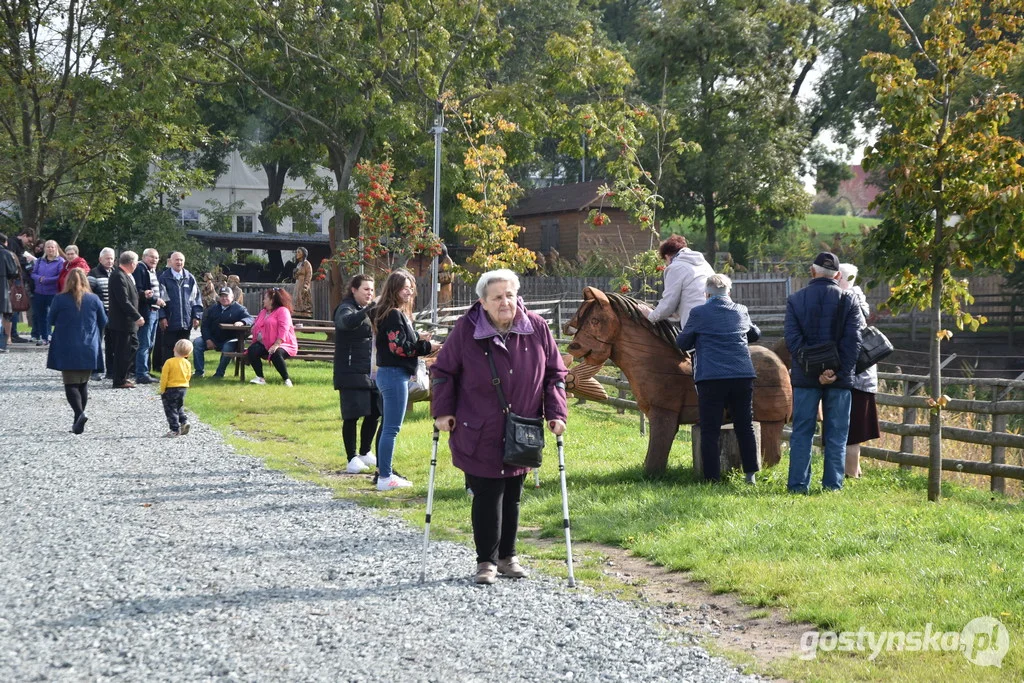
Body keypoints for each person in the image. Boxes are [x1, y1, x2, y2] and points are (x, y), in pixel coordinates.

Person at [431, 269, 568, 584]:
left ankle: (508, 557)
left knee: (513, 494)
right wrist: (443, 411)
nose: (505, 302)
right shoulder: (466, 330)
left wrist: (556, 412)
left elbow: (554, 374)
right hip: (478, 427)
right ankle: (486, 562)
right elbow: (443, 372)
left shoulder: (536, 327)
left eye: (509, 295)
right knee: (487, 493)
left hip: (522, 428)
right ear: (483, 301)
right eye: (497, 297)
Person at [784, 251, 863, 493]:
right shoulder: (849, 300)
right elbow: (854, 343)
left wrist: (815, 370)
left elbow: (793, 341)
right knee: (837, 434)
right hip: (839, 380)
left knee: (802, 433)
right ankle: (832, 486)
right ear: (838, 275)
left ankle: (798, 486)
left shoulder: (795, 300)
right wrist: (836, 373)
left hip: (806, 378)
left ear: (812, 271)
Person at [676, 273, 761, 484]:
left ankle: (711, 478)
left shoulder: (699, 313)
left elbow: (683, 342)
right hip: (742, 375)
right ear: (729, 292)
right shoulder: (741, 310)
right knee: (745, 425)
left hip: (711, 377)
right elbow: (754, 335)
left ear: (707, 293)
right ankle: (750, 474)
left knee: (710, 428)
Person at [371, 269, 439, 491]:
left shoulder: (394, 313)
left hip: (392, 374)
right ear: (394, 289)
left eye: (411, 286)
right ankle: (385, 477)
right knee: (391, 428)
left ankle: (385, 474)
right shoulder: (392, 314)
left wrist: (418, 339)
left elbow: (400, 342)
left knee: (389, 427)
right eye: (404, 287)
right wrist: (429, 347)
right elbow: (399, 348)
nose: (409, 290)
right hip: (393, 374)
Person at [45, 269, 107, 433]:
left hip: (67, 346)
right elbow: (103, 321)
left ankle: (79, 414)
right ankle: (77, 420)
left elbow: (50, 319)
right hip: (89, 346)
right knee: (82, 384)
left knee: (70, 384)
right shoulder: (94, 299)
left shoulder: (59, 299)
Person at [333, 274, 380, 474]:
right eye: (365, 289)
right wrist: (369, 310)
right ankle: (351, 457)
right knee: (352, 415)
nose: (369, 293)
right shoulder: (346, 307)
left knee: (375, 411)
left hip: (370, 371)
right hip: (349, 370)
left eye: (371, 290)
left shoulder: (366, 310)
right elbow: (346, 323)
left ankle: (364, 451)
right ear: (354, 289)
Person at [839, 263, 880, 478]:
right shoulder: (859, 299)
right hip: (864, 375)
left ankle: (851, 474)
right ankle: (856, 470)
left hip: (856, 376)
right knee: (854, 428)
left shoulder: (849, 301)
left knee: (851, 431)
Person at [648, 234, 714, 330]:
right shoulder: (704, 263)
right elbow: (694, 294)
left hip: (697, 323)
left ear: (667, 256)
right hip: (717, 318)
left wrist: (650, 316)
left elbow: (668, 304)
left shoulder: (675, 267)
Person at [157, 252, 203, 370]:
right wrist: (162, 317)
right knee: (169, 347)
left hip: (186, 321)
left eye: (181, 260)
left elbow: (196, 299)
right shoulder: (164, 278)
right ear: (171, 261)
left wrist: (196, 316)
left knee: (184, 348)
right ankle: (168, 371)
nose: (179, 262)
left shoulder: (190, 278)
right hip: (170, 320)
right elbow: (161, 299)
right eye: (176, 260)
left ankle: (183, 371)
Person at [108, 251, 146, 389]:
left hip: (128, 323)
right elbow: (123, 300)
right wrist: (137, 316)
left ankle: (123, 376)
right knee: (123, 351)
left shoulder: (125, 275)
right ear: (132, 263)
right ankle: (119, 380)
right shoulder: (118, 276)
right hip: (122, 322)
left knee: (132, 347)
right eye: (136, 263)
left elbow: (132, 295)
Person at [246, 287, 298, 386]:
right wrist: (254, 328)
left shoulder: (283, 311)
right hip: (265, 343)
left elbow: (284, 328)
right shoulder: (263, 312)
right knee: (252, 350)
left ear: (272, 300)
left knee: (276, 353)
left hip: (284, 343)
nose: (263, 300)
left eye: (265, 298)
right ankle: (260, 378)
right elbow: (257, 323)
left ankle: (286, 380)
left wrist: (276, 344)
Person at [200, 286, 255, 378]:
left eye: (226, 296)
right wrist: (208, 339)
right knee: (198, 343)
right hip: (213, 338)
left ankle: (219, 373)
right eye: (222, 296)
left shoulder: (239, 309)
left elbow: (250, 319)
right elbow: (204, 326)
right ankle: (199, 372)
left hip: (231, 339)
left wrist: (242, 322)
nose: (224, 298)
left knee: (227, 347)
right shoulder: (212, 309)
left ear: (232, 297)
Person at [133, 248, 166, 384]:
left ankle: (145, 370)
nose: (154, 260)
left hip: (154, 311)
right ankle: (141, 373)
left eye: (156, 258)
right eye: (151, 257)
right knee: (144, 344)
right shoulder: (140, 269)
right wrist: (155, 300)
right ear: (144, 257)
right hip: (146, 311)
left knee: (150, 343)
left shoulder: (151, 271)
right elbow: (139, 291)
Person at [29, 239, 65, 345]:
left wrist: (46, 280)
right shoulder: (40, 260)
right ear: (45, 249)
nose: (50, 249)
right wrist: (39, 278)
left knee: (55, 315)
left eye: (52, 247)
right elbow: (33, 273)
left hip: (53, 292)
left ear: (56, 248)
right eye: (48, 247)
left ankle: (57, 336)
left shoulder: (60, 261)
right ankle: (44, 337)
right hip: (39, 292)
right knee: (41, 315)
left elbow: (60, 276)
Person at [88, 248, 116, 381]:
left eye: (111, 258)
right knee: (96, 342)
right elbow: (88, 293)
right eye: (107, 258)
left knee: (112, 343)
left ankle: (111, 371)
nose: (110, 261)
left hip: (114, 314)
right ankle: (95, 370)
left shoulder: (116, 272)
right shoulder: (93, 273)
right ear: (100, 259)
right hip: (98, 313)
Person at [159, 338, 194, 437]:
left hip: (171, 388)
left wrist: (162, 389)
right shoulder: (187, 363)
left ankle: (174, 429)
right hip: (183, 388)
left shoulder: (169, 362)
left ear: (174, 349)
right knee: (179, 406)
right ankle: (184, 421)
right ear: (188, 354)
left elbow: (164, 377)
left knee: (170, 409)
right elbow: (188, 375)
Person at [0, 233, 20, 352]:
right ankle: (2, 344)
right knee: (4, 316)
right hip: (2, 287)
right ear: (5, 242)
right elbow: (13, 272)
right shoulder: (6, 254)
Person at [292, 247, 313, 316]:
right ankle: (297, 311)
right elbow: (295, 277)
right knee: (296, 298)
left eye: (299, 252)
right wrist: (294, 273)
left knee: (303, 299)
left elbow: (309, 275)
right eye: (297, 252)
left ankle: (304, 312)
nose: (297, 254)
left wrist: (306, 285)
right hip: (297, 284)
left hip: (303, 283)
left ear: (303, 254)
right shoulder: (298, 264)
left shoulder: (306, 264)